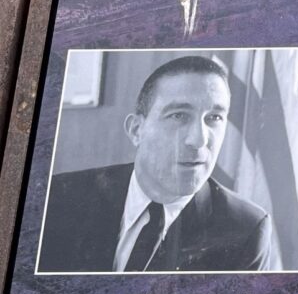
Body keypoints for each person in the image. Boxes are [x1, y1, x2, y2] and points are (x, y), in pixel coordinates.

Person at [38, 55, 275, 273]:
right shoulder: (59, 197)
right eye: (179, 115)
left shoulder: (246, 229)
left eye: (214, 117)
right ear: (136, 130)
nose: (199, 140)